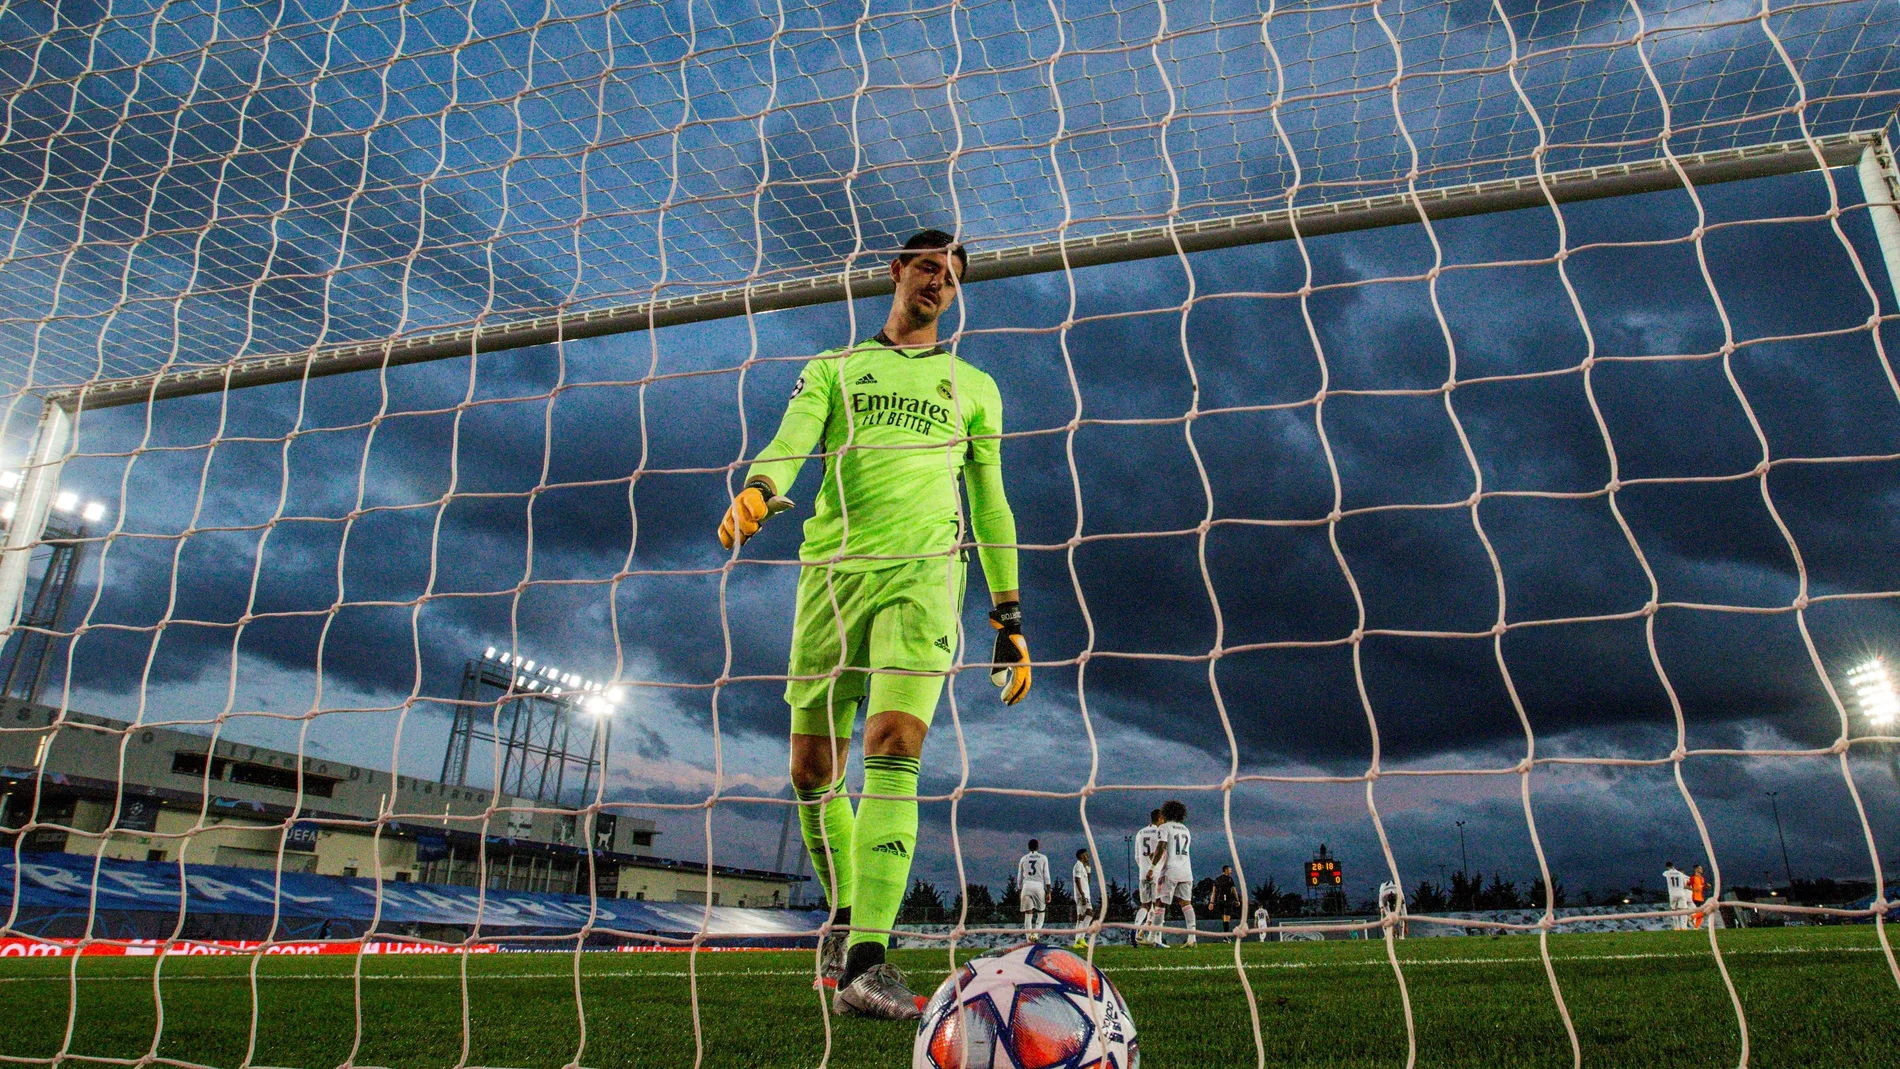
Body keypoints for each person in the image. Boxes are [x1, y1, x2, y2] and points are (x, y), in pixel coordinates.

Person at [719, 230, 1030, 1020]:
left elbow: (989, 501)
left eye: (953, 277)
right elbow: (792, 443)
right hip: (830, 576)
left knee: (894, 745)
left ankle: (869, 957)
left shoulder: (977, 387)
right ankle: (845, 915)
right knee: (811, 770)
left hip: (926, 577)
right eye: (929, 267)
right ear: (896, 270)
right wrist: (759, 488)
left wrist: (1009, 612)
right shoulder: (833, 368)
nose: (939, 283)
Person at [1149, 800, 1196, 947]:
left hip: (1170, 870)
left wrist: (1152, 867)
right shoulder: (1185, 829)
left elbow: (1162, 847)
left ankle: (1151, 937)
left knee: (1160, 903)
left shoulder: (1164, 827)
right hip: (1186, 870)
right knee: (1186, 903)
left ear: (1166, 812)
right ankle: (1192, 938)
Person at [1131, 810, 1164, 946]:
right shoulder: (1160, 832)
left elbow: (1137, 856)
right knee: (1159, 906)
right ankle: (1157, 939)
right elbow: (1163, 852)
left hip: (1143, 873)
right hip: (1156, 872)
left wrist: (1144, 868)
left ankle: (1137, 927)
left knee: (1145, 905)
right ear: (1160, 818)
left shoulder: (1140, 833)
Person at [1018, 840, 1051, 935]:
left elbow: (1019, 877)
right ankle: (1035, 934)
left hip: (1026, 886)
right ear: (1037, 847)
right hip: (1038, 886)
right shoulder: (1043, 858)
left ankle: (1029, 940)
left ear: (1029, 847)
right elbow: (1046, 875)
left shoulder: (1023, 858)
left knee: (1028, 914)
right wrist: (1048, 891)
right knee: (1041, 912)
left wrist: (1020, 890)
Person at [1071, 848, 1094, 950]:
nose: (1087, 856)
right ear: (1081, 856)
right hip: (1082, 895)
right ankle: (1077, 940)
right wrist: (1082, 894)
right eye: (1085, 854)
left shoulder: (1083, 867)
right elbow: (1077, 880)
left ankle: (1081, 938)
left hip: (1086, 893)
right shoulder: (1078, 866)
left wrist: (1089, 871)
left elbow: (1087, 883)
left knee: (1089, 914)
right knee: (1081, 916)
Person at [1212, 865, 1241, 932]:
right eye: (1230, 870)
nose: (1231, 872)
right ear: (1226, 870)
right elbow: (1234, 890)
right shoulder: (1229, 879)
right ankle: (1226, 937)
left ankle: (1225, 935)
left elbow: (1213, 892)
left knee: (1224, 919)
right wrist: (1237, 900)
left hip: (1219, 901)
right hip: (1227, 900)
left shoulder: (1217, 879)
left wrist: (1212, 902)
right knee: (1227, 919)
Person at [1663, 862, 1690, 931]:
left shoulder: (1667, 873)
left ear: (1667, 867)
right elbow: (1684, 885)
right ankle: (1684, 927)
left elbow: (1664, 874)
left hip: (1672, 894)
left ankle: (1676, 927)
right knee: (1683, 910)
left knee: (1674, 910)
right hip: (1681, 893)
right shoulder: (1680, 874)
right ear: (1673, 865)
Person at [1689, 864, 1709, 929]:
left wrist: (1706, 886)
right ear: (1696, 869)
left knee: (1701, 913)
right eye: (1700, 868)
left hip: (1701, 897)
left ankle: (1696, 927)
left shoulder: (1702, 878)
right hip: (1695, 897)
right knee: (1703, 911)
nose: (1701, 869)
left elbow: (1702, 888)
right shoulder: (1693, 877)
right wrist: (1694, 889)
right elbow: (1686, 886)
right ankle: (1692, 918)